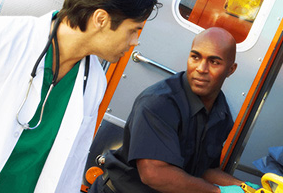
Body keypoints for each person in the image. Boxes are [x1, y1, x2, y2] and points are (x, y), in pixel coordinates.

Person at [0, 0, 159, 192]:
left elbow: (72, 165)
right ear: (100, 19)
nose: (134, 41)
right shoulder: (4, 37)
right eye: (133, 30)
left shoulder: (94, 81)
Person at [89, 27, 259, 193]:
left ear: (231, 69)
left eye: (214, 62)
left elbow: (204, 170)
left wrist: (245, 187)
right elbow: (154, 174)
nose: (201, 68)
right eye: (195, 57)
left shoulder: (221, 113)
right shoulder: (158, 103)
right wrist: (218, 192)